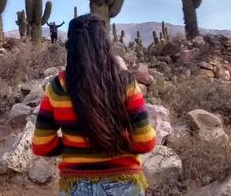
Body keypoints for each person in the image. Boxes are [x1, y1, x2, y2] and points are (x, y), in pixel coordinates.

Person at [32, 14, 157, 196]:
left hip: (75, 186)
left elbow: (41, 145)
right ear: (105, 43)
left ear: (71, 46)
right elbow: (145, 142)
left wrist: (73, 146)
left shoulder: (58, 86)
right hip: (124, 184)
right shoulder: (126, 83)